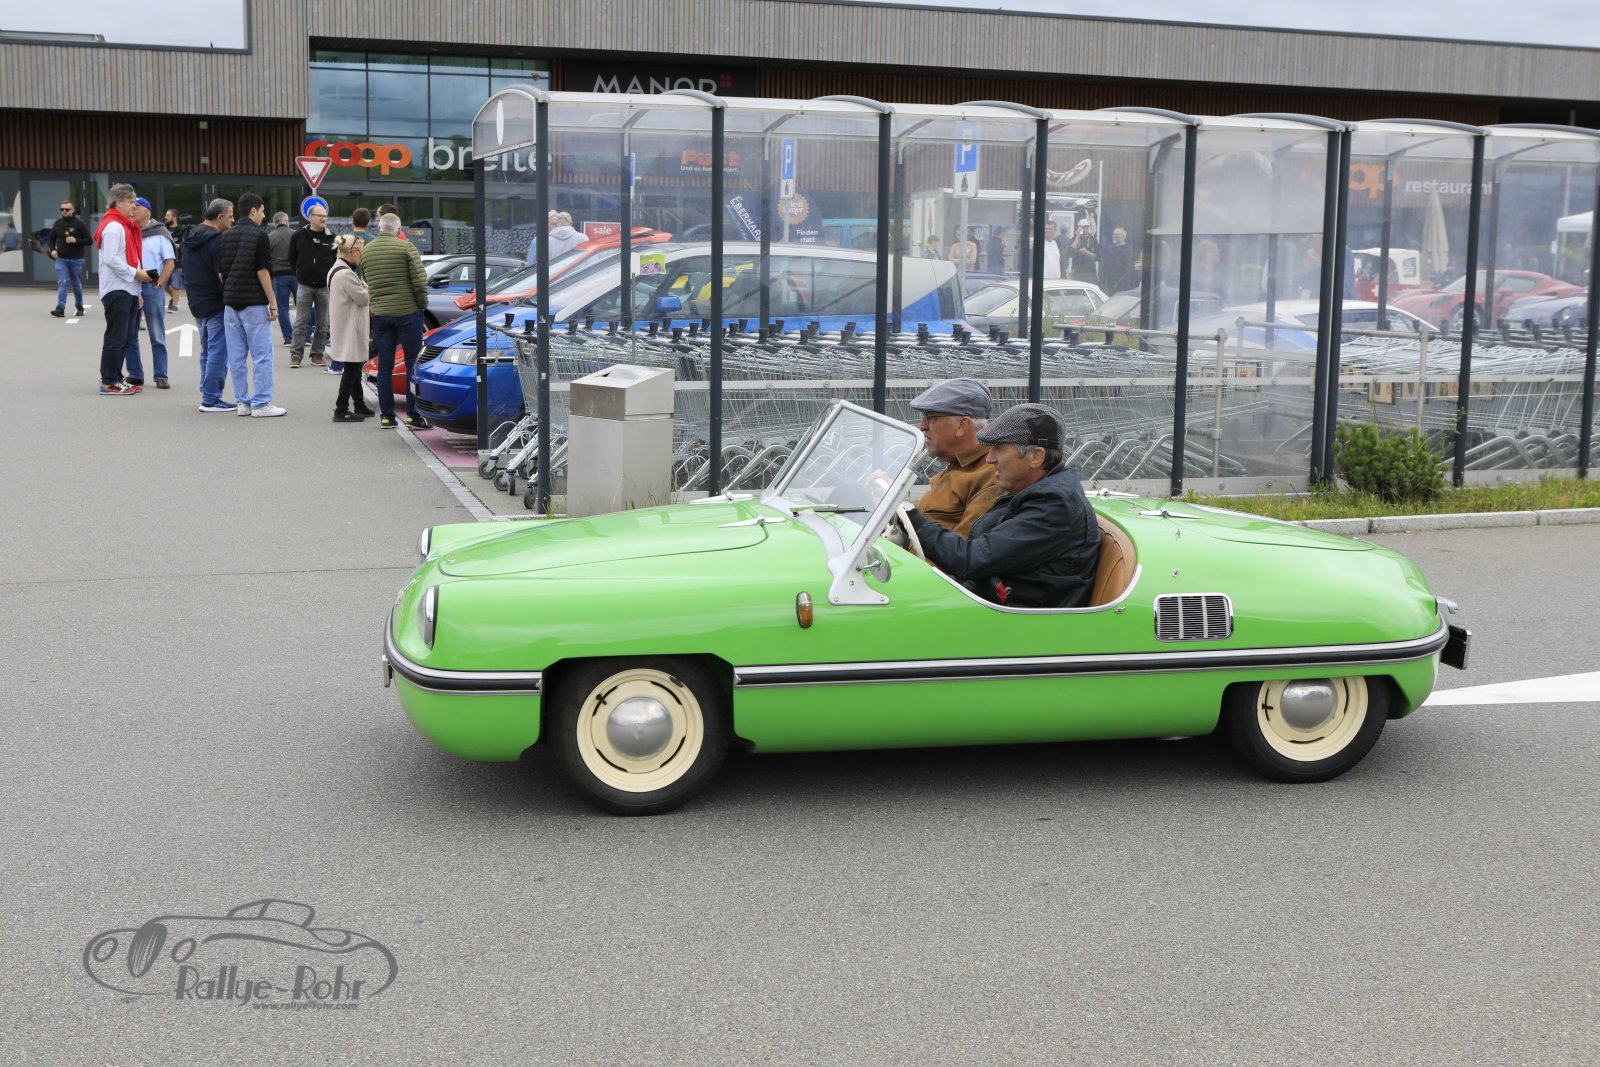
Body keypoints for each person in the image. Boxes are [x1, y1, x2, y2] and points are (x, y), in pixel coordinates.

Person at [908, 403, 1100, 609]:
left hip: (1020, 620)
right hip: (991, 603)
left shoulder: (1055, 504)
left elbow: (971, 560)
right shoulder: (1032, 491)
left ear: (1036, 456)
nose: (990, 458)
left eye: (999, 449)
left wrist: (910, 516)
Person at [218, 192, 285, 417]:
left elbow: (221, 273)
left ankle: (243, 402)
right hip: (254, 303)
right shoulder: (260, 235)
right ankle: (262, 403)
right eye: (262, 211)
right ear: (253, 211)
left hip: (230, 303)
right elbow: (262, 271)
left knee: (236, 357)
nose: (264, 216)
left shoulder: (226, 235)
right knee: (262, 356)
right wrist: (273, 303)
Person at [907, 378, 1001, 537]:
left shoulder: (994, 476)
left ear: (962, 425)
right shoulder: (956, 466)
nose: (922, 426)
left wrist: (904, 508)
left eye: (930, 418)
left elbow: (961, 547)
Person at [364, 211, 428, 429]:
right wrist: (422, 304)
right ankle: (413, 415)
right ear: (398, 229)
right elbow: (419, 281)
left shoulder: (367, 250)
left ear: (379, 228)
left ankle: (387, 417)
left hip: (381, 314)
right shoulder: (406, 247)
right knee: (412, 364)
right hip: (408, 312)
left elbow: (367, 280)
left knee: (384, 365)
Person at [93, 183, 157, 395]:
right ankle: (108, 381)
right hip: (117, 289)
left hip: (127, 289)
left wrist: (137, 291)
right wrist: (136, 274)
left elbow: (131, 259)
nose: (134, 206)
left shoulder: (124, 226)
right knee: (116, 337)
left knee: (125, 337)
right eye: (130, 202)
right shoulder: (113, 226)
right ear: (118, 201)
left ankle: (116, 378)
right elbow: (111, 259)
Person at [183, 197, 238, 413]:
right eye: (231, 217)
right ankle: (211, 398)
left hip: (196, 300)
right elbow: (222, 274)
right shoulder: (217, 241)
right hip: (215, 302)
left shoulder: (190, 235)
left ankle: (207, 391)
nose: (233, 221)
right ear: (220, 217)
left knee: (207, 350)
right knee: (218, 352)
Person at [326, 233, 376, 422]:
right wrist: (366, 286)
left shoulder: (335, 269)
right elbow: (363, 298)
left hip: (346, 325)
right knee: (352, 369)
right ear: (353, 252)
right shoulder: (346, 274)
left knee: (353, 367)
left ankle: (359, 405)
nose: (361, 257)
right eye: (360, 253)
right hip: (351, 328)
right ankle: (341, 409)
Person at [128, 197, 176, 389]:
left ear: (147, 211)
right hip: (132, 286)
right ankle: (135, 374)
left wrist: (159, 284)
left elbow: (170, 262)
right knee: (130, 333)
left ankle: (161, 375)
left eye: (136, 207)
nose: (132, 210)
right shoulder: (129, 231)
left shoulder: (159, 233)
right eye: (131, 206)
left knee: (156, 333)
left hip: (152, 287)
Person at [288, 203, 336, 369]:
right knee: (301, 322)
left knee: (323, 324)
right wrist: (299, 274)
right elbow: (292, 258)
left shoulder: (332, 237)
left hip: (324, 287)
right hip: (304, 285)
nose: (324, 219)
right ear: (310, 218)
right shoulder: (298, 236)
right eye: (320, 216)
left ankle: (317, 354)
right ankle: (296, 355)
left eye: (325, 216)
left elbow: (336, 260)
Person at [48, 197, 91, 318]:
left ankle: (79, 306)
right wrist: (53, 250)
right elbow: (50, 238)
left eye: (67, 209)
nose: (64, 211)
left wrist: (75, 240)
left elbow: (89, 240)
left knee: (76, 284)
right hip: (61, 259)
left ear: (73, 210)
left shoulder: (79, 223)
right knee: (63, 282)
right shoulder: (58, 223)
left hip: (76, 259)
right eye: (62, 209)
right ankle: (60, 308)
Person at [267, 211, 296, 347]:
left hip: (278, 276)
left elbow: (267, 258)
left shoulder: (269, 237)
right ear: (286, 221)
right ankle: (306, 337)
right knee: (303, 306)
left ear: (275, 223)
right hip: (296, 275)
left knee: (283, 308)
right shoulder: (295, 235)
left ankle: (288, 339)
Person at [163, 209, 186, 312]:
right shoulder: (164, 230)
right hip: (165, 262)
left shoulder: (182, 230)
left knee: (176, 285)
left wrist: (176, 245)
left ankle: (174, 305)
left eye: (168, 215)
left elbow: (186, 245)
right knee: (162, 284)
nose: (165, 217)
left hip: (178, 262)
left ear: (174, 217)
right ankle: (174, 297)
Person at [1100, 226, 1135, 295]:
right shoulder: (1109, 248)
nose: (1114, 236)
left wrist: (1119, 281)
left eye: (1117, 234)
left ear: (1123, 236)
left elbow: (1128, 268)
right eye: (1113, 234)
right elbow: (1103, 263)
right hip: (1107, 283)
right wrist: (1102, 278)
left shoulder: (1128, 250)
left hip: (1121, 285)